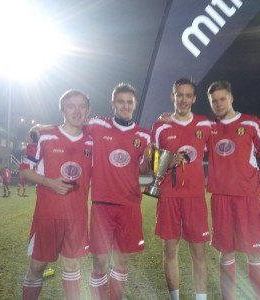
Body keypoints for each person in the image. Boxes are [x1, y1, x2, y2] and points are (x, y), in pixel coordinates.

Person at [206, 81, 260, 300]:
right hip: (220, 197)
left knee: (254, 253)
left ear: (231, 98)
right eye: (214, 101)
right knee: (226, 253)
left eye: (222, 99)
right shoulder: (208, 127)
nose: (219, 104)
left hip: (248, 197)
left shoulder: (251, 123)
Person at [20, 89, 92, 300]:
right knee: (37, 265)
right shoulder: (43, 136)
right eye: (71, 106)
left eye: (81, 106)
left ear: (87, 110)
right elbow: (24, 170)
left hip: (77, 217)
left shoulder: (92, 141)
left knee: (72, 265)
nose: (77, 111)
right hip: (47, 215)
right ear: (62, 110)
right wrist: (49, 182)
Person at [86, 83, 152, 300]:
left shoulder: (144, 135)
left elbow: (143, 168)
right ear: (112, 104)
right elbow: (73, 125)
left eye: (129, 102)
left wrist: (150, 162)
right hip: (102, 205)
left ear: (135, 104)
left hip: (129, 206)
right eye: (121, 102)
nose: (125, 106)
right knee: (99, 262)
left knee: (122, 262)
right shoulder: (97, 124)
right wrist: (42, 128)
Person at [150, 78, 211, 300]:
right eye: (179, 95)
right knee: (170, 251)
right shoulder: (160, 127)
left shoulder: (205, 125)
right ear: (172, 96)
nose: (183, 100)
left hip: (195, 197)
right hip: (169, 196)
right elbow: (152, 163)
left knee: (199, 254)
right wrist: (168, 161)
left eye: (188, 95)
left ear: (194, 99)